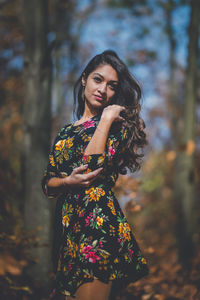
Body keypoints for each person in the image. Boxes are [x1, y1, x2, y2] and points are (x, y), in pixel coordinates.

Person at [42, 50, 150, 300]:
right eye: (97, 79)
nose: (103, 89)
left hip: (98, 225)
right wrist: (67, 181)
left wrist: (106, 120)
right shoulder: (65, 133)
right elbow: (47, 184)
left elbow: (92, 167)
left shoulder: (117, 126)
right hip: (68, 230)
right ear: (84, 80)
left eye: (112, 85)